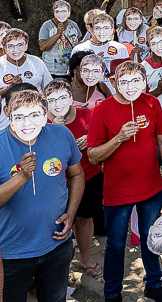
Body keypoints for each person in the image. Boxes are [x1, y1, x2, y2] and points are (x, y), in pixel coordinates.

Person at [87, 61, 162, 302]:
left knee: (151, 239)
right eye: (123, 82)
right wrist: (119, 138)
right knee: (115, 245)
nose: (130, 87)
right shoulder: (101, 110)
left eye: (136, 80)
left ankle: (153, 284)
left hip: (151, 188)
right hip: (117, 192)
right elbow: (93, 155)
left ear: (144, 81)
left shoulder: (152, 102)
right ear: (114, 82)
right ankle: (112, 293)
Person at [0, 90, 84, 302]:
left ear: (45, 113)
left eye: (35, 115)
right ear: (7, 113)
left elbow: (77, 174)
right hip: (11, 254)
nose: (27, 122)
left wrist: (71, 214)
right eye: (19, 116)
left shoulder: (62, 135)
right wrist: (21, 177)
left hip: (56, 246)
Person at [44, 80, 102, 278]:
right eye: (52, 100)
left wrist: (90, 138)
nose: (58, 103)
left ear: (71, 98)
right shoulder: (40, 123)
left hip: (89, 175)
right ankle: (60, 269)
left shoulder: (87, 114)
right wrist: (51, 129)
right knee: (57, 225)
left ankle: (85, 259)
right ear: (45, 103)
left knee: (84, 219)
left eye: (62, 98)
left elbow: (102, 140)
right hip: (55, 183)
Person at [1, 28, 53, 131]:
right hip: (5, 123)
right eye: (10, 46)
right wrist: (9, 88)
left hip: (35, 120)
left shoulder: (37, 62)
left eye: (20, 45)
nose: (15, 50)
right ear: (4, 48)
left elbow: (49, 89)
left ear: (26, 45)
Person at [72, 13, 129, 78]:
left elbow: (126, 74)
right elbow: (74, 76)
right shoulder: (80, 49)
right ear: (92, 29)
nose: (102, 32)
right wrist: (92, 63)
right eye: (98, 28)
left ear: (112, 30)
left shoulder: (120, 48)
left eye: (106, 28)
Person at [38, 0, 82, 78]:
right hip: (52, 71)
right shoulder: (47, 26)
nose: (61, 14)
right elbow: (42, 47)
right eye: (57, 11)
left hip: (71, 70)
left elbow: (79, 45)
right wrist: (58, 34)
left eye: (64, 11)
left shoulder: (74, 25)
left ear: (69, 12)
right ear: (54, 13)